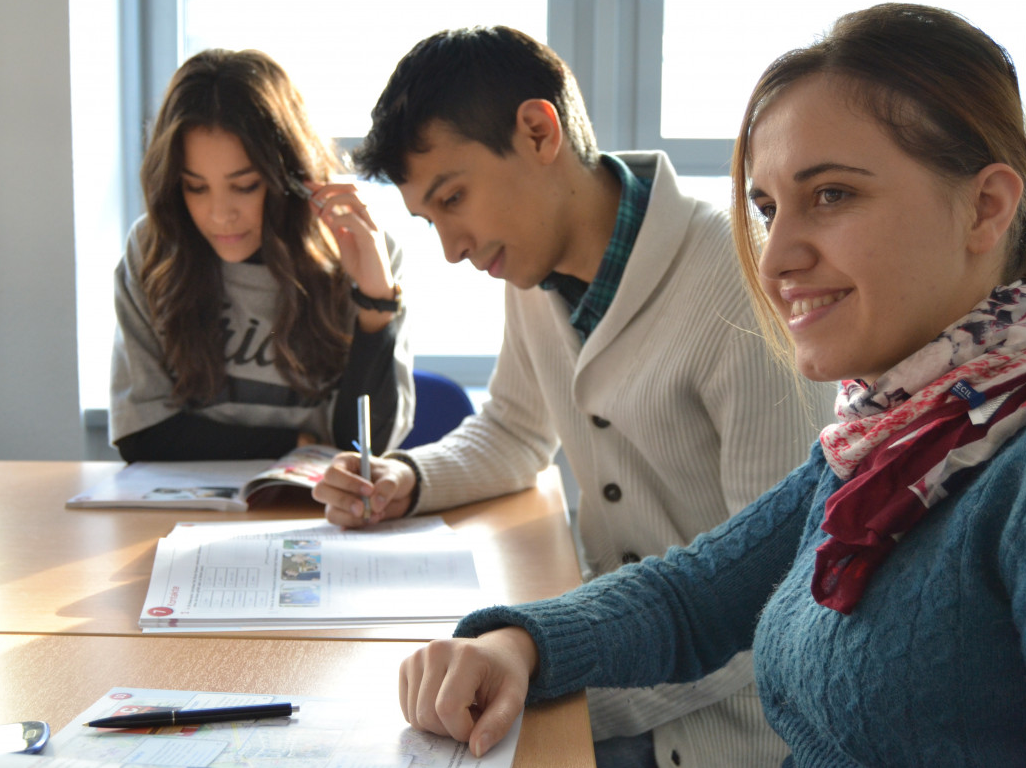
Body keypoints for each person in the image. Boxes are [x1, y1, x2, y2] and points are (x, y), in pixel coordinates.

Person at [395, 5, 1026, 765]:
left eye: (831, 195)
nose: (775, 258)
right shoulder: (890, 433)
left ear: (986, 207)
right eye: (766, 208)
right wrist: (518, 644)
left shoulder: (1002, 477)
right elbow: (695, 595)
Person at [312, 25, 835, 768]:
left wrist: (555, 685)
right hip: (605, 659)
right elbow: (514, 432)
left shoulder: (737, 280)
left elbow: (770, 600)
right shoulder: (531, 270)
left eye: (453, 198)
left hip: (716, 728)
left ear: (537, 130)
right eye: (431, 222)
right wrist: (410, 478)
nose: (452, 248)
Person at [110, 49, 414, 461]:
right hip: (184, 513)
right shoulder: (153, 250)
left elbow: (364, 448)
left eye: (245, 185)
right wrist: (296, 445)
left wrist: (376, 302)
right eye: (195, 187)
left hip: (316, 513)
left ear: (288, 178)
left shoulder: (357, 253)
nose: (220, 215)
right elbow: (142, 435)